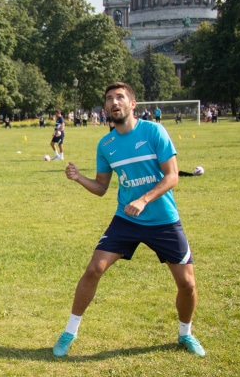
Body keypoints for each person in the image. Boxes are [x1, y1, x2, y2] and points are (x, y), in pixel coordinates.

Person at [54, 82, 205, 359]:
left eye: (120, 97)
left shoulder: (154, 131)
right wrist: (79, 179)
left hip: (163, 220)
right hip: (127, 220)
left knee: (187, 284)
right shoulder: (106, 144)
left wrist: (144, 199)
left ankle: (186, 334)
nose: (114, 103)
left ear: (132, 104)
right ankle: (69, 331)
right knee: (94, 269)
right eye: (109, 98)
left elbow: (172, 176)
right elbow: (101, 187)